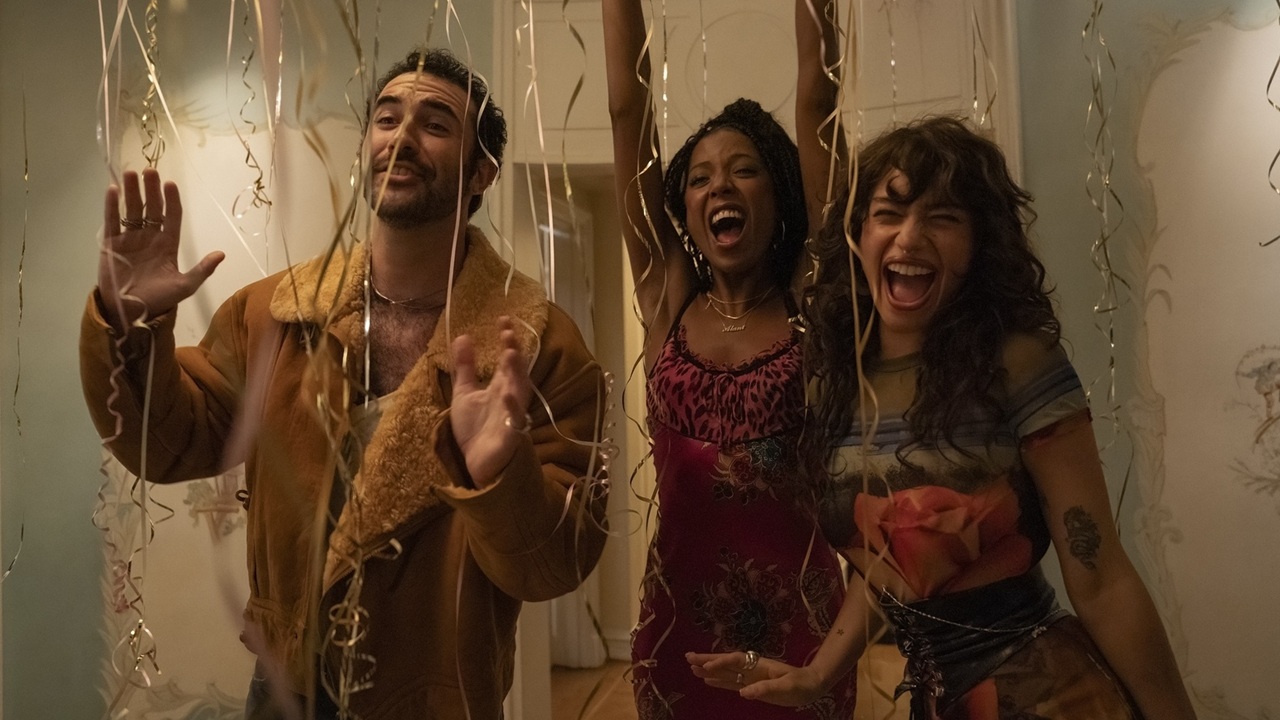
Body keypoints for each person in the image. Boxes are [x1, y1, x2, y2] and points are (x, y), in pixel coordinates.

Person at [80, 47, 609, 720]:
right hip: (284, 689)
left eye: (436, 123)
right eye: (387, 119)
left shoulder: (538, 346)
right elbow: (169, 443)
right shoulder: (273, 314)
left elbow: (554, 567)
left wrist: (501, 479)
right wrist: (130, 327)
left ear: (482, 172)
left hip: (439, 699)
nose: (403, 138)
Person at [688, 115, 1198, 719]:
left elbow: (1102, 578)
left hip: (1049, 694)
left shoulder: (1018, 361)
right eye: (889, 213)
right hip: (937, 700)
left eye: (943, 217)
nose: (909, 238)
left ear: (979, 244)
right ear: (857, 234)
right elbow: (886, 560)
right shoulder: (835, 377)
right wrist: (816, 676)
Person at [603, 0, 857, 717]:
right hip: (678, 635)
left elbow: (819, 95)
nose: (719, 185)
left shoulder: (814, 295)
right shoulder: (666, 297)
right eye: (701, 176)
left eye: (744, 170)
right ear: (683, 209)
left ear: (780, 195)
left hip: (804, 638)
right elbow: (629, 111)